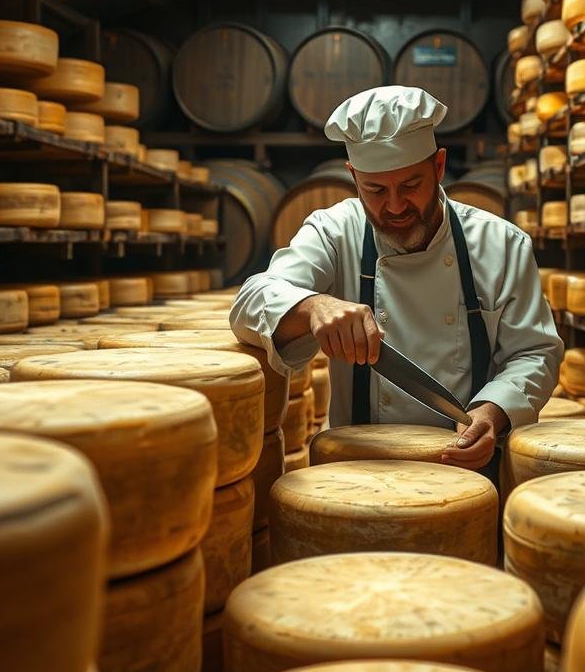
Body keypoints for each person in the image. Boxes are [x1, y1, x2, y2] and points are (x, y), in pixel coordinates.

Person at [230, 85, 562, 475]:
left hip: (468, 467)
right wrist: (314, 307)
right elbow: (250, 301)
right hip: (355, 467)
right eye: (375, 189)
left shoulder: (502, 245)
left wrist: (494, 411)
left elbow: (535, 352)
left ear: (438, 167)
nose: (395, 205)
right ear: (354, 177)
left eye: (410, 186)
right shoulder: (334, 231)